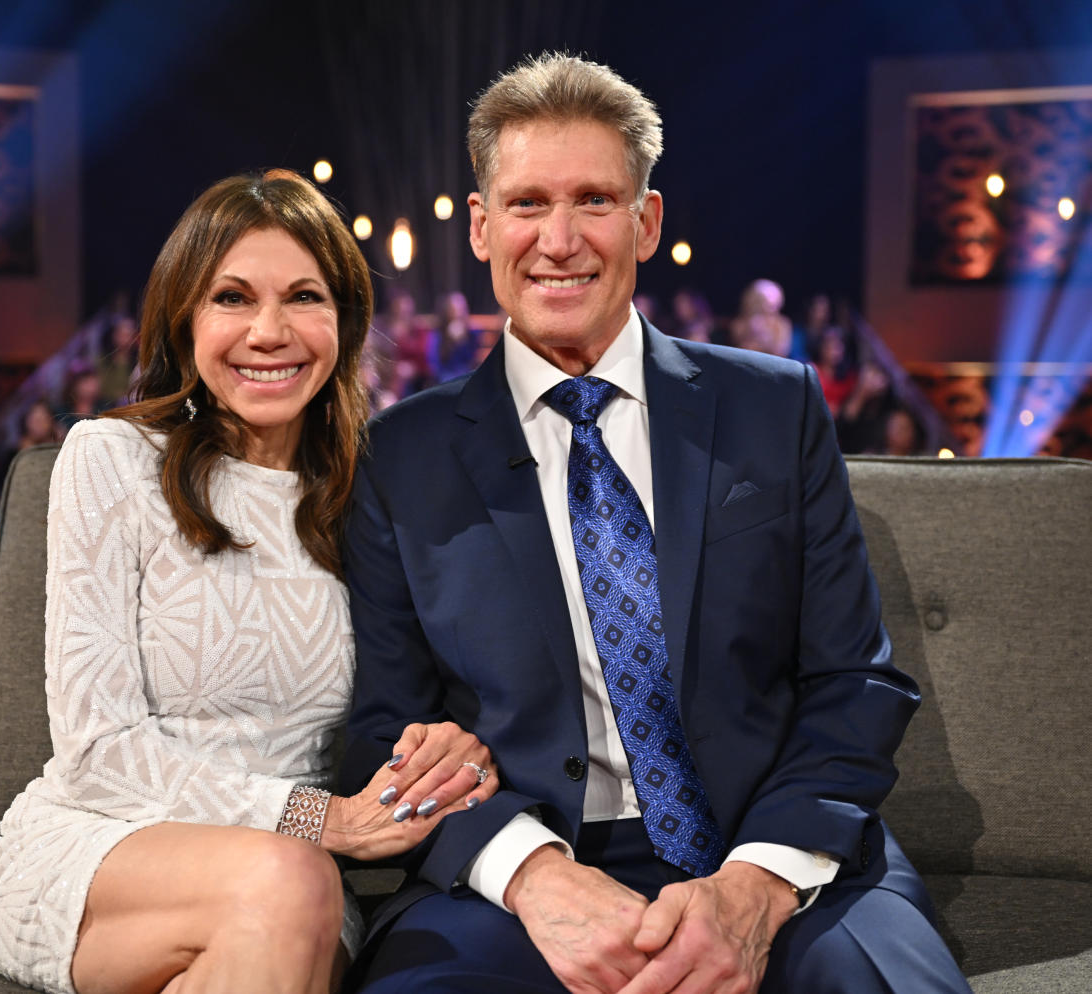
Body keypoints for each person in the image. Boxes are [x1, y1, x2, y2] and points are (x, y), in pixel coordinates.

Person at [340, 54, 971, 993]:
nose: (559, 240)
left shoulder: (775, 407)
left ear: (648, 220)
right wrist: (533, 875)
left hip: (775, 846)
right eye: (526, 205)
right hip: (522, 867)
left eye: (595, 199)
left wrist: (757, 884)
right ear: (481, 227)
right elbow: (383, 727)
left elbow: (855, 681)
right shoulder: (401, 455)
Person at [0, 169, 497, 994]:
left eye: (303, 296)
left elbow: (413, 704)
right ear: (184, 319)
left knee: (288, 898)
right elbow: (96, 752)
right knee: (286, 884)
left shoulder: (377, 490)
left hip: (309, 885)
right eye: (232, 297)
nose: (269, 330)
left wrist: (442, 750)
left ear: (343, 320)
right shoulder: (111, 461)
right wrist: (322, 820)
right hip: (111, 847)